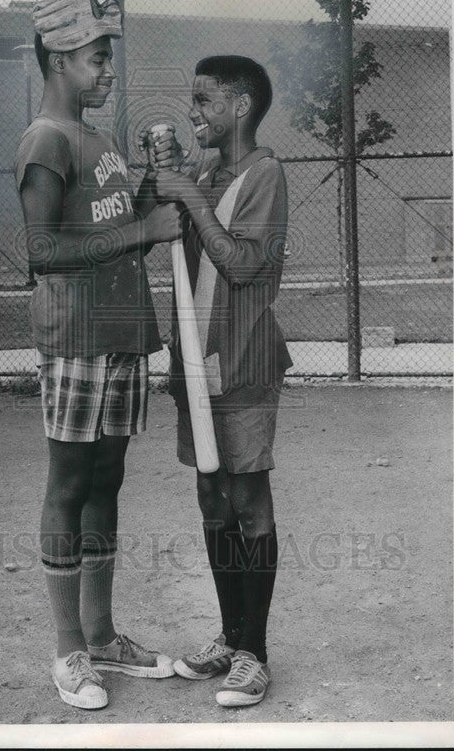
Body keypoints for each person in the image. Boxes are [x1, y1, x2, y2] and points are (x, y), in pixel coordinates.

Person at [14, 0, 181, 710]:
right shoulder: (45, 139)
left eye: (108, 56)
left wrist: (150, 192)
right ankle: (67, 651)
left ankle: (104, 635)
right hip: (75, 338)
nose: (109, 71)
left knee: (107, 481)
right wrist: (145, 231)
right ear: (58, 57)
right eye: (96, 57)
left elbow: (113, 229)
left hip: (118, 333)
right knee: (70, 484)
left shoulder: (100, 138)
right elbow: (45, 251)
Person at [152, 54, 293, 708]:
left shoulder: (265, 173)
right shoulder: (207, 170)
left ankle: (255, 656)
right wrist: (174, 187)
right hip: (197, 365)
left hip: (244, 365)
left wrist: (190, 199)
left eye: (204, 100)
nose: (194, 112)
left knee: (247, 499)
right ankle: (232, 637)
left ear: (240, 106)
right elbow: (187, 248)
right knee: (212, 499)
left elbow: (240, 265)